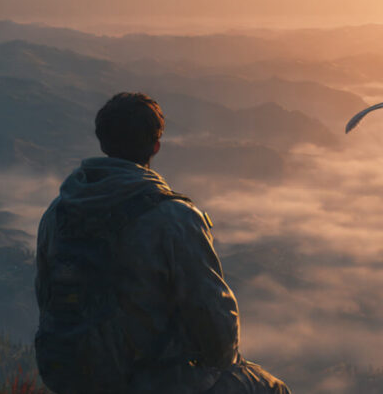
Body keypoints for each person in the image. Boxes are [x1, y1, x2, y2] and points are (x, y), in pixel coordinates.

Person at [35, 92, 291, 394]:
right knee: (272, 389)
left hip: (71, 376)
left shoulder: (58, 212)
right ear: (155, 146)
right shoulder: (173, 218)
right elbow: (217, 332)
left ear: (102, 142)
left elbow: (46, 296)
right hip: (151, 381)